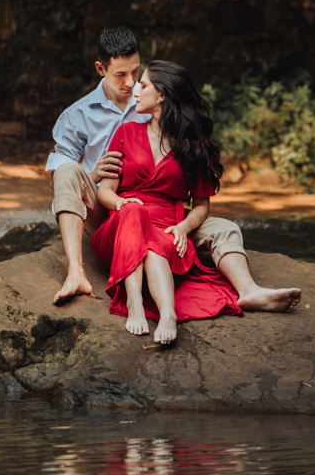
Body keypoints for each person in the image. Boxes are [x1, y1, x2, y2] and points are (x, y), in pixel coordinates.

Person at [46, 27, 301, 313]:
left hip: (167, 215)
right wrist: (94, 178)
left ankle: (250, 291)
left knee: (226, 228)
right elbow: (58, 180)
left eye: (136, 73)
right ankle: (75, 272)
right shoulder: (78, 115)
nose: (131, 84)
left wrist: (182, 226)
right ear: (100, 69)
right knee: (68, 170)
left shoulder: (151, 98)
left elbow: (199, 195)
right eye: (120, 75)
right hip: (106, 207)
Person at [91, 60, 240, 345]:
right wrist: (121, 204)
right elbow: (105, 192)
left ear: (162, 95)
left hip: (166, 227)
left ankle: (168, 314)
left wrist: (183, 228)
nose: (135, 89)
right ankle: (134, 304)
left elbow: (201, 206)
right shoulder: (126, 133)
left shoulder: (195, 144)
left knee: (158, 240)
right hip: (121, 226)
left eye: (143, 85)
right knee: (135, 211)